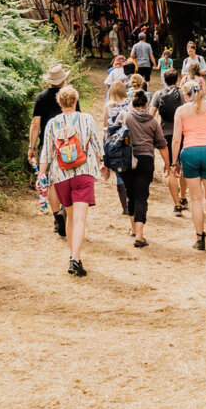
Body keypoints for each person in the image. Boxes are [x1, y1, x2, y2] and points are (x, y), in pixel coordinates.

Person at [39, 86, 105, 277]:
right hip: (83, 173)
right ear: (75, 101)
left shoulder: (52, 123)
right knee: (80, 218)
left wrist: (42, 175)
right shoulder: (86, 119)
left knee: (69, 215)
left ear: (59, 103)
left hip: (61, 177)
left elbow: (47, 152)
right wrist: (100, 166)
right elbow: (96, 145)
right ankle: (75, 258)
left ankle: (73, 255)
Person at [171, 85, 206, 251]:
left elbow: (176, 139)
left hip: (189, 152)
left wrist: (174, 163)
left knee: (196, 198)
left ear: (186, 94)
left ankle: (199, 238)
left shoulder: (181, 111)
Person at [119, 89, 171, 247]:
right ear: (147, 104)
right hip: (146, 160)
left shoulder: (124, 116)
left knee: (130, 193)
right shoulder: (153, 121)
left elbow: (113, 137)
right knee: (142, 196)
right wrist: (168, 164)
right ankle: (139, 236)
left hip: (127, 159)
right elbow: (162, 145)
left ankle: (133, 228)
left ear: (132, 102)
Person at [27, 63, 69, 235]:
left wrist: (31, 147)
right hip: (68, 142)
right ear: (63, 80)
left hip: (48, 143)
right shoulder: (70, 97)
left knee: (51, 181)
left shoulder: (41, 97)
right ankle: (65, 210)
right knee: (67, 178)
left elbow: (35, 124)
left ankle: (56, 215)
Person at [150, 69, 185, 215]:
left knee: (170, 168)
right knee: (183, 167)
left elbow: (151, 115)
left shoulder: (158, 94)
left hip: (165, 135)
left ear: (164, 80)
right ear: (177, 80)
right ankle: (183, 197)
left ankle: (176, 204)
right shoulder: (182, 94)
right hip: (182, 134)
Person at [103, 80, 133, 218]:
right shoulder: (130, 102)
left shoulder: (108, 106)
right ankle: (132, 199)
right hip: (129, 138)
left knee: (119, 173)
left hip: (115, 142)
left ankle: (125, 206)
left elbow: (105, 127)